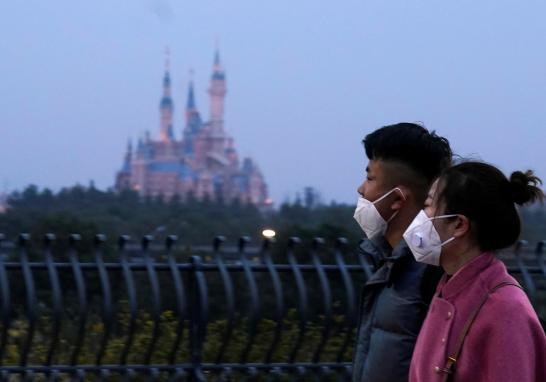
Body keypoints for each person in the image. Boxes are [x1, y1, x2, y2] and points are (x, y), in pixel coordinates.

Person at [407, 162, 546, 382]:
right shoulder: (448, 288)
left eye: (428, 206)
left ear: (459, 225)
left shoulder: (506, 309)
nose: (419, 217)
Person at [352, 122, 452, 382]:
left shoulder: (437, 274)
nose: (361, 190)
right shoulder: (390, 265)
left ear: (398, 199)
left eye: (370, 178)